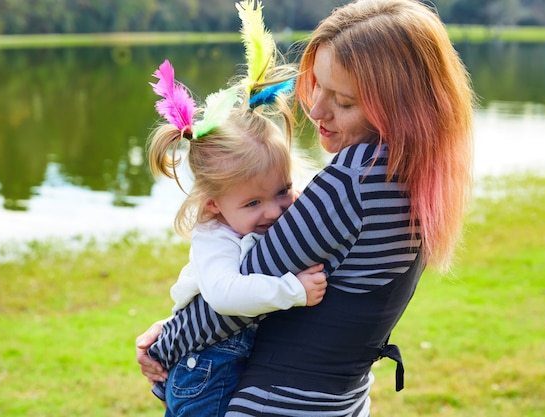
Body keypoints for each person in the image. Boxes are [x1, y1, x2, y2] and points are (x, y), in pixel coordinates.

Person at [138, 0, 474, 415]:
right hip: (341, 402)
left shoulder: (353, 183)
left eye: (344, 101)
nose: (316, 111)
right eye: (318, 85)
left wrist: (165, 344)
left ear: (401, 106)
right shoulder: (417, 175)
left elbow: (234, 296)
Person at [145, 58, 327, 417]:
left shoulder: (254, 218)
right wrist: (295, 291)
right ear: (214, 205)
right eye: (253, 202)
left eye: (283, 190)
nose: (274, 211)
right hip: (206, 371)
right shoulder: (214, 238)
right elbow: (225, 296)